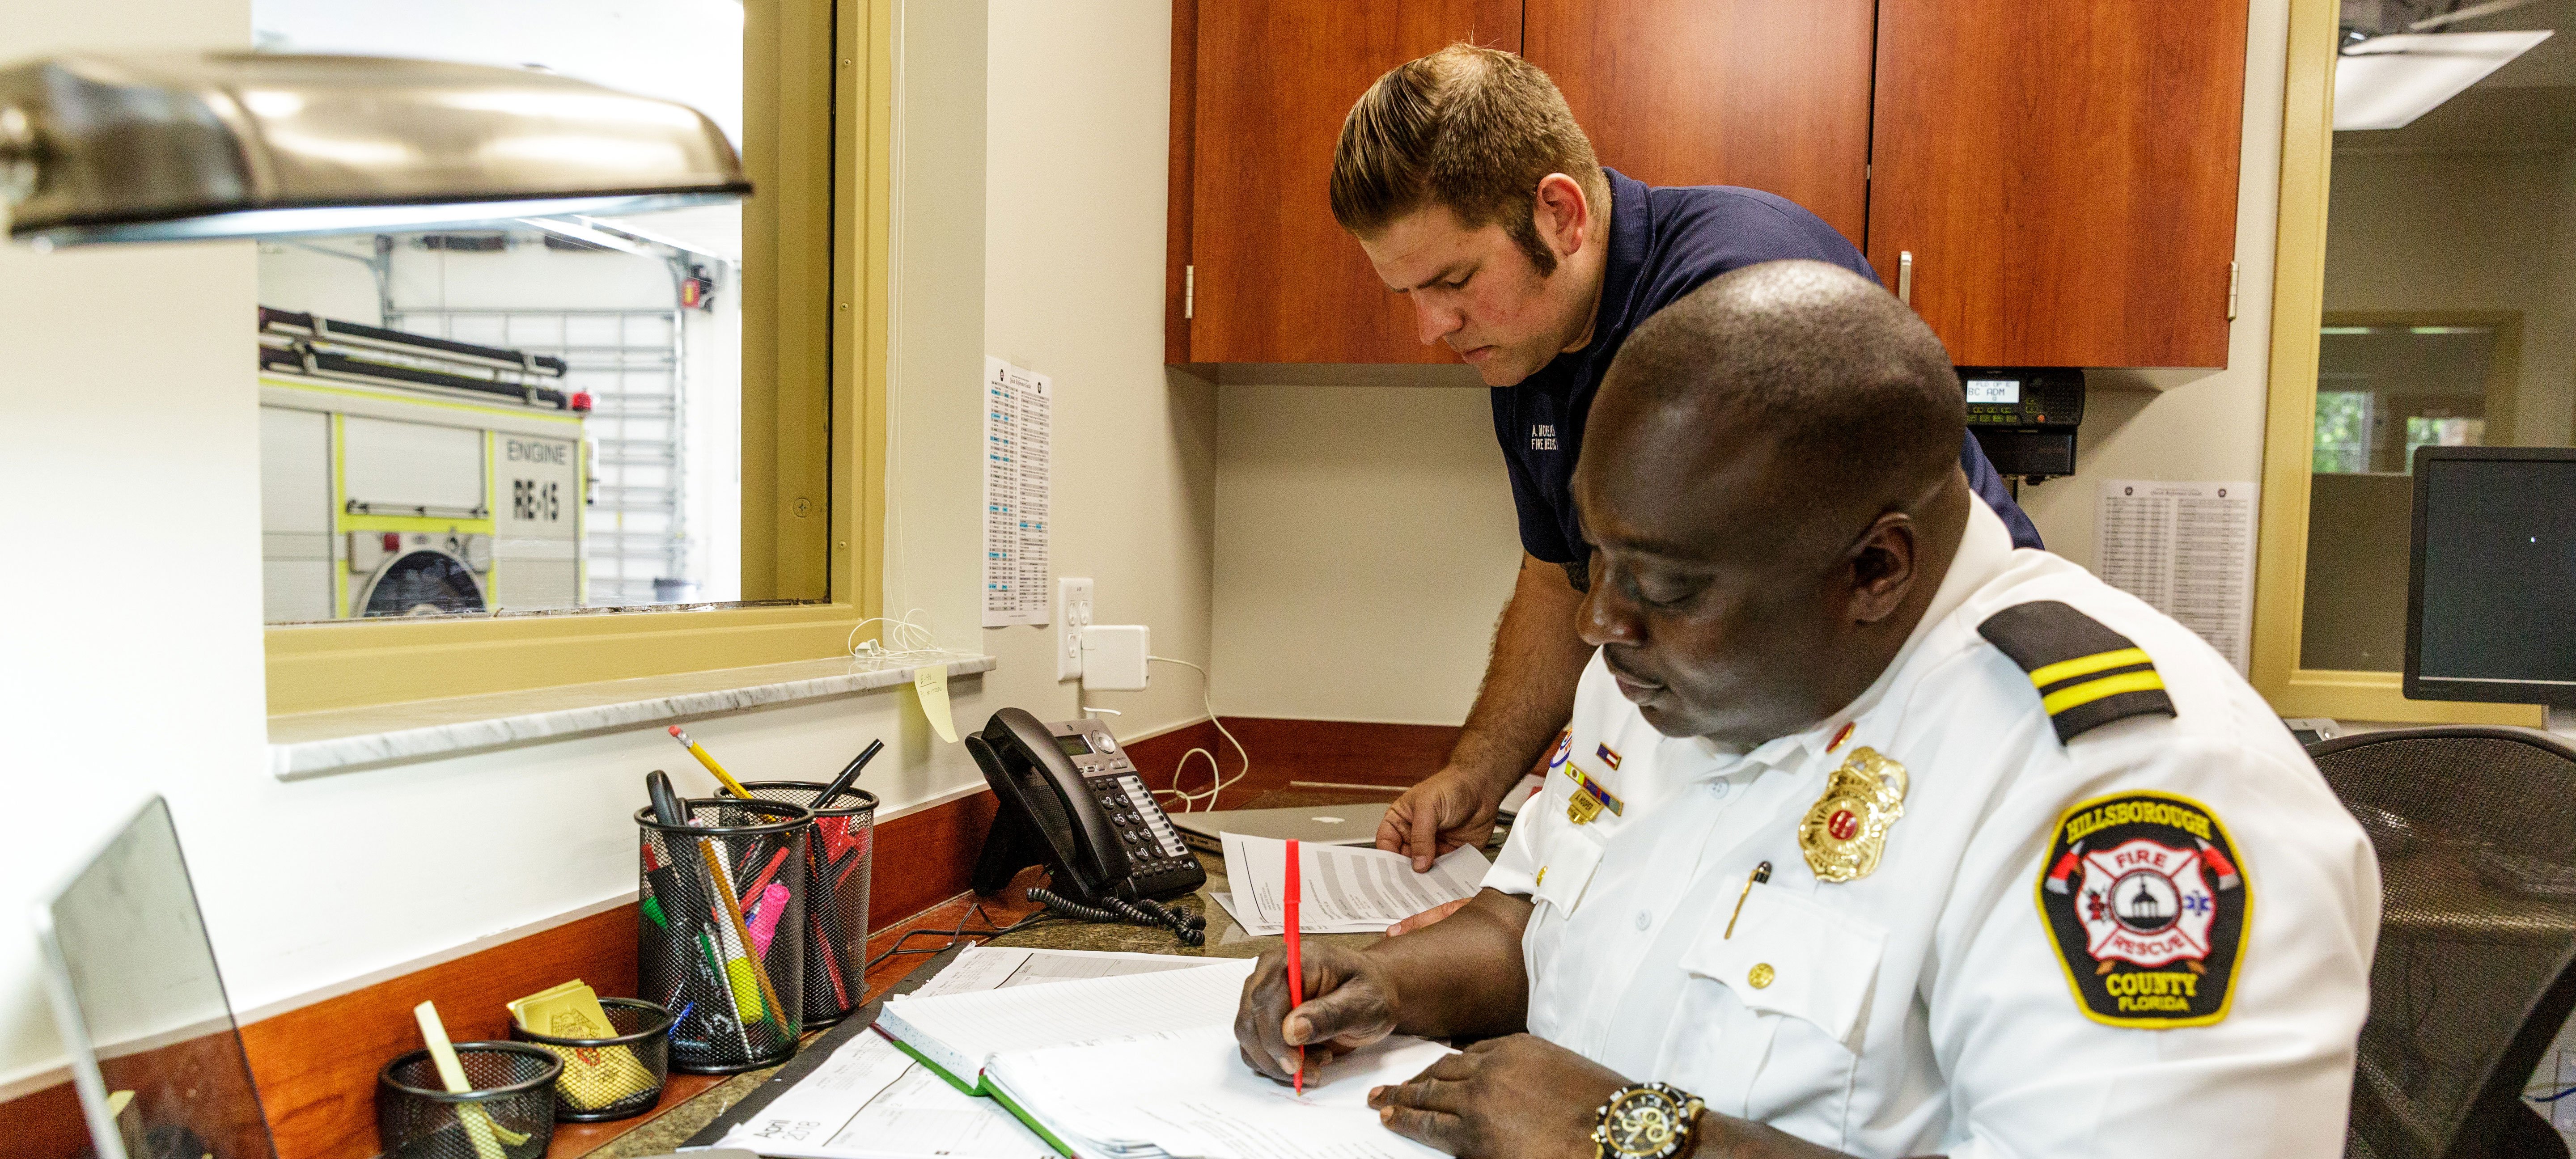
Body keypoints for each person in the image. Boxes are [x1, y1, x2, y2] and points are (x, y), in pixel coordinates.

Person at [1232, 262, 2377, 1159]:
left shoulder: (2125, 784)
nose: (1600, 623)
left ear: (1876, 569)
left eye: (1668, 586)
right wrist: (1387, 980)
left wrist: (1631, 1137)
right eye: (1598, 560)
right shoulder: (1658, 665)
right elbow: (1539, 923)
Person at [1337, 47, 2043, 901]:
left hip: (1928, 714)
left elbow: (1777, 617)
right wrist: (1479, 774)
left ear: (1560, 214)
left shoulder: (1738, 292)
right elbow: (1559, 584)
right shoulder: (1524, 346)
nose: (1431, 327)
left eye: (1452, 281)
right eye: (1407, 294)